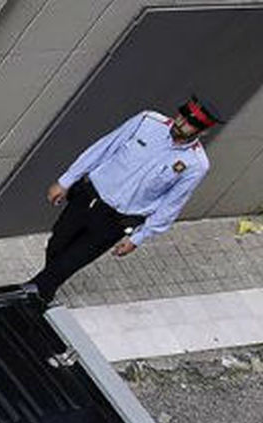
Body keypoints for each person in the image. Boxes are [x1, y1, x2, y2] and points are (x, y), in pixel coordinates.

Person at [30, 96, 222, 303]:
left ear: (202, 132)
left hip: (116, 220)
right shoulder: (147, 121)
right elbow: (104, 147)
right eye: (183, 115)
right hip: (89, 197)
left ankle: (34, 293)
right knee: (57, 244)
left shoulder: (196, 164)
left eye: (191, 123)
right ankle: (46, 288)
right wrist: (66, 180)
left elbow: (171, 204)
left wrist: (138, 238)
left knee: (72, 261)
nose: (182, 123)